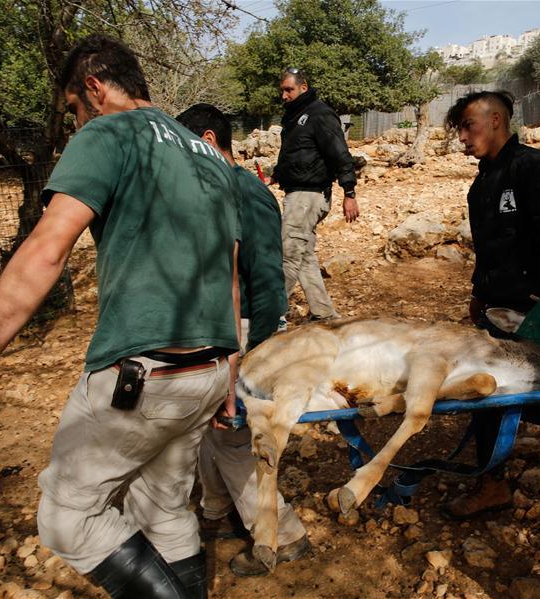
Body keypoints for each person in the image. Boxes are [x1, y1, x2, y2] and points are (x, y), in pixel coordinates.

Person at [0, 36, 242, 599]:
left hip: (142, 373)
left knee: (68, 518)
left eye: (74, 110)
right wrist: (229, 373)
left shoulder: (108, 133)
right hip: (206, 371)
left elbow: (46, 251)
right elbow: (228, 271)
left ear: (94, 88)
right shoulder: (208, 156)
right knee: (165, 507)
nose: (76, 124)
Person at [441, 90, 540, 520]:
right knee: (502, 390)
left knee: (488, 389)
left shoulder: (537, 169)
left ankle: (492, 486)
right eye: (459, 130)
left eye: (467, 126)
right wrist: (479, 292)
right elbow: (489, 250)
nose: (462, 138)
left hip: (539, 314)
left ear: (496, 120)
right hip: (500, 311)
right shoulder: (482, 184)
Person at [175, 103, 311, 577]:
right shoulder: (217, 188)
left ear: (208, 140)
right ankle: (217, 509)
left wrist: (260, 353)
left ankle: (283, 533)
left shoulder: (245, 192)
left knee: (233, 436)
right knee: (207, 424)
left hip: (248, 329)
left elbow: (269, 280)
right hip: (221, 329)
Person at [269, 67, 358, 321]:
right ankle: (324, 313)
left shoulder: (320, 113)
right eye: (282, 90)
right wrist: (277, 174)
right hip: (298, 194)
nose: (284, 95)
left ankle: (270, 317)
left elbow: (340, 153)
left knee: (288, 254)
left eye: (289, 90)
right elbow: (297, 154)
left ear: (303, 87)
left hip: (308, 196)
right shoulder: (295, 116)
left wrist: (349, 192)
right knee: (303, 254)